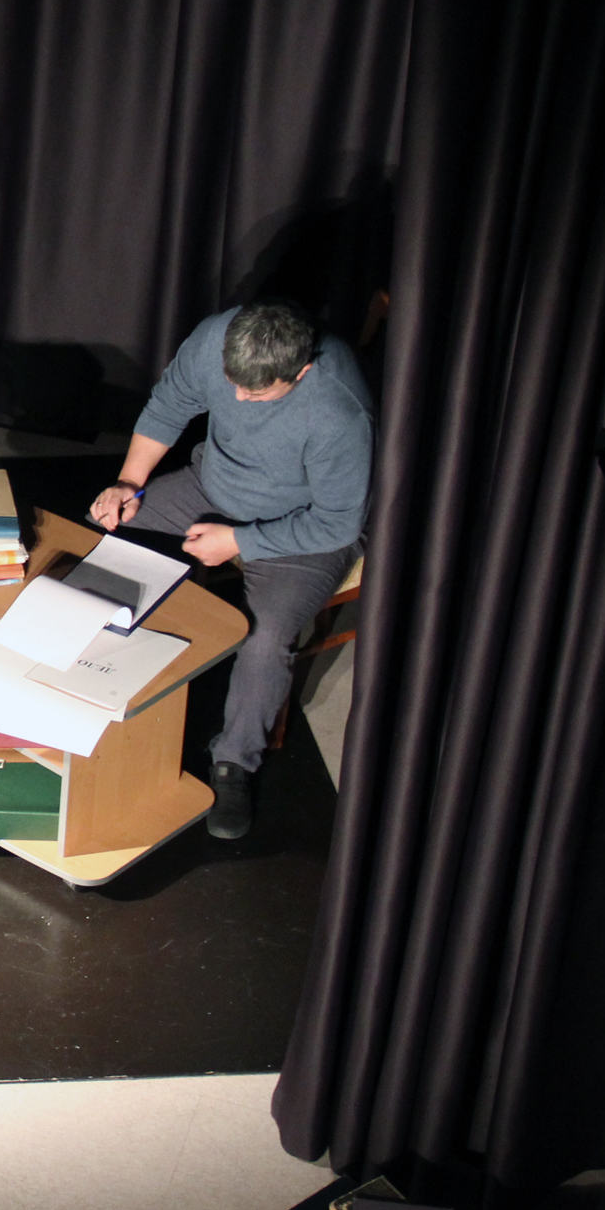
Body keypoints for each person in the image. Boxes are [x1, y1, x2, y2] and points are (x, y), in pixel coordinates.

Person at [88, 301, 371, 838]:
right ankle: (90, 681)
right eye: (233, 384)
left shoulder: (339, 412)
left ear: (301, 372)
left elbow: (338, 522)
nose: (240, 399)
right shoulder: (215, 337)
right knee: (106, 532)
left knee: (265, 639)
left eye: (257, 394)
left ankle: (235, 761)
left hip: (301, 528)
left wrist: (240, 540)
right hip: (212, 484)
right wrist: (128, 483)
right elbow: (169, 406)